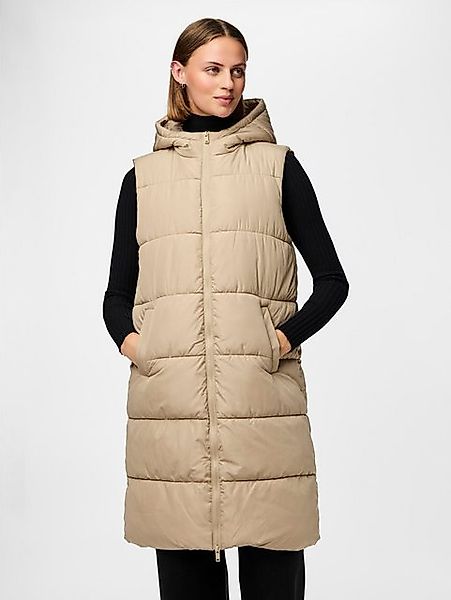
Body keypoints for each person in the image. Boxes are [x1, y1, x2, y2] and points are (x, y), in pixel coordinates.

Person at [103, 17, 349, 600]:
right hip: (172, 413)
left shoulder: (278, 167)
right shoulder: (142, 179)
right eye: (212, 69)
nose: (228, 83)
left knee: (274, 584)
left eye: (237, 71)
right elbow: (116, 296)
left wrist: (279, 341)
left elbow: (333, 282)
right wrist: (140, 347)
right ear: (179, 72)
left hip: (264, 408)